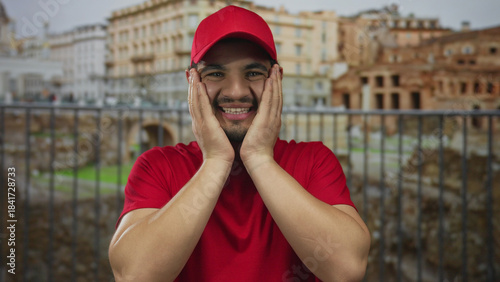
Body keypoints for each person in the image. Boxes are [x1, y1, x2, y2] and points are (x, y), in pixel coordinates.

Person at [109, 5, 370, 282]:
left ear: (276, 80)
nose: (236, 92)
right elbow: (133, 275)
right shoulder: (158, 165)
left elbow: (348, 267)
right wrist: (216, 161)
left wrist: (259, 158)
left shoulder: (313, 159)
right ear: (192, 82)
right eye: (216, 74)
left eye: (253, 73)